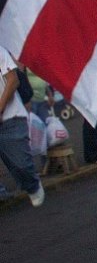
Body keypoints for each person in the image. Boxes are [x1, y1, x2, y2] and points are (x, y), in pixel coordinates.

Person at [0, 45, 45, 207]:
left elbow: (13, 80)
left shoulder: (0, 52)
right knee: (12, 164)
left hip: (11, 118)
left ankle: (32, 185)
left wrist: (1, 108)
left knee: (21, 164)